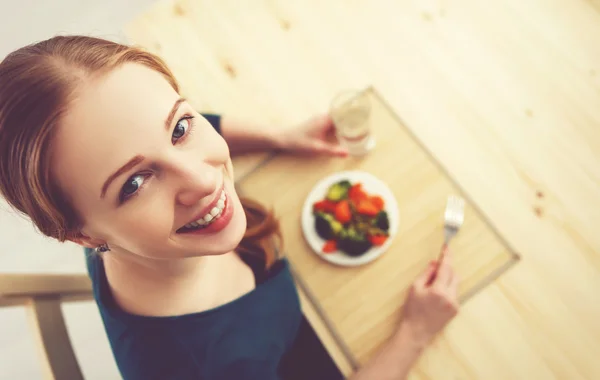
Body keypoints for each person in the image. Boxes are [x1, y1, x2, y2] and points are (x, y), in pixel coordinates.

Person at [0, 36, 459, 380]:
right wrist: (416, 331)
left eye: (180, 128)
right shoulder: (206, 365)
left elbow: (162, 128)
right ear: (83, 235)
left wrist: (277, 137)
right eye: (135, 183)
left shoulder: (105, 218)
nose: (205, 179)